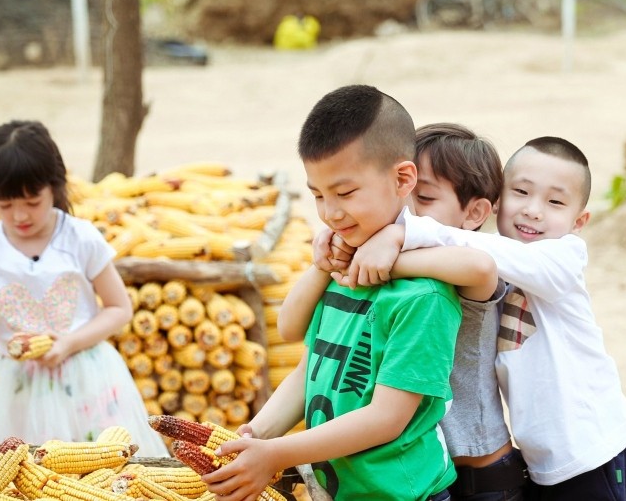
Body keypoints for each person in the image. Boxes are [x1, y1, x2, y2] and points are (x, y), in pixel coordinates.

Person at [202, 85, 495, 501]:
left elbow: (386, 419)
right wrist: (256, 433)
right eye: (318, 195)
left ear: (402, 179)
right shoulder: (342, 269)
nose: (330, 213)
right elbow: (311, 369)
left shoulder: (424, 295)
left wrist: (276, 454)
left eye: (344, 193)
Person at [347, 136, 626, 500]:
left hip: (596, 452)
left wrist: (405, 235)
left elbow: (484, 257)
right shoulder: (493, 257)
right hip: (542, 465)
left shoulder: (564, 258)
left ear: (578, 221)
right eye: (521, 192)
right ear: (497, 202)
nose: (533, 210)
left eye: (555, 202)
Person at [279, 122, 528, 501]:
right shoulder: (391, 267)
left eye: (424, 199)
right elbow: (291, 329)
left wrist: (385, 255)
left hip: (482, 473)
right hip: (425, 465)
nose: (407, 214)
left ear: (475, 211)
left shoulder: (455, 266)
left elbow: (480, 269)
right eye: (404, 195)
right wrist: (329, 264)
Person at [0, 120, 169, 457]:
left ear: (54, 186)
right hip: (13, 390)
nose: (19, 216)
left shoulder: (80, 238)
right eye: (4, 205)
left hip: (86, 378)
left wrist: (68, 343)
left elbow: (119, 309)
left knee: (102, 474)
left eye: (32, 201)